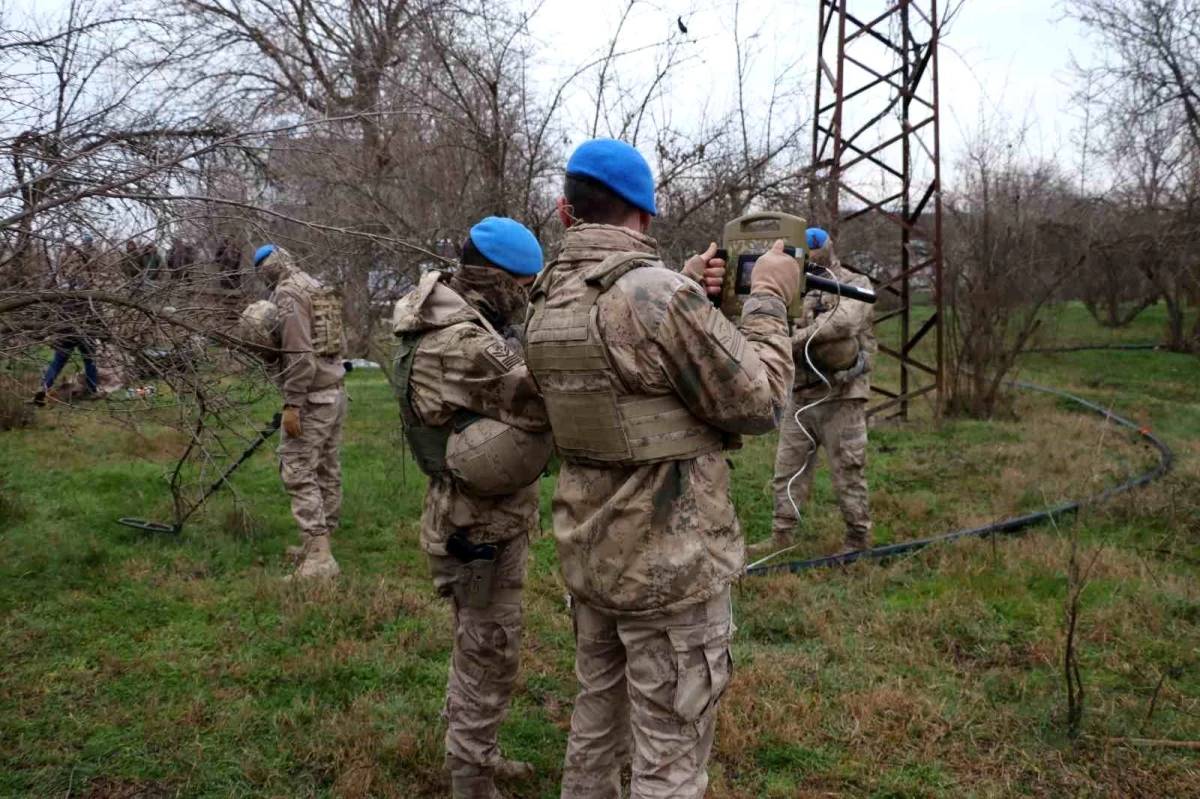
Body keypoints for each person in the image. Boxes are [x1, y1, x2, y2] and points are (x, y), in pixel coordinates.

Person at [524, 139, 799, 799]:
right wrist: (766, 301)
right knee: (669, 756)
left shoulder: (547, 297)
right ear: (644, 214)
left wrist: (684, 288)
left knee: (594, 727)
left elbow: (622, 367)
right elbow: (759, 401)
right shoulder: (658, 298)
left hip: (592, 558)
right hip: (669, 571)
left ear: (567, 213)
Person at [391, 217, 553, 799]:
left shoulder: (451, 317)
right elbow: (542, 402)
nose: (529, 298)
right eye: (525, 286)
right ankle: (471, 780)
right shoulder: (465, 344)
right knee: (489, 651)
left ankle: (474, 753)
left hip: (473, 512)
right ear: (499, 281)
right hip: (477, 523)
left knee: (479, 644)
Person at [748, 228, 877, 561]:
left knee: (848, 469)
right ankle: (781, 535)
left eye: (812, 247)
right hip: (801, 396)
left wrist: (793, 340)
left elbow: (844, 324)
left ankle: (858, 538)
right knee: (786, 470)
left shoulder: (854, 282)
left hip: (842, 395)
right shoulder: (792, 287)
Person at [253, 244, 348, 580]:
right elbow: (335, 343)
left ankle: (319, 558)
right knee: (326, 468)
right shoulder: (315, 285)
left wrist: (293, 403)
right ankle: (320, 543)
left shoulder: (288, 296)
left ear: (265, 270)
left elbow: (299, 355)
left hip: (311, 398)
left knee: (296, 468)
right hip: (335, 390)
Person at [34, 236, 100, 406]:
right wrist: (102, 330)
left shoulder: (61, 289)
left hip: (65, 330)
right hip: (84, 330)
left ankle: (44, 387)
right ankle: (92, 390)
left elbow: (50, 310)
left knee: (57, 363)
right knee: (90, 360)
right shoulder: (88, 288)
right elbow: (96, 310)